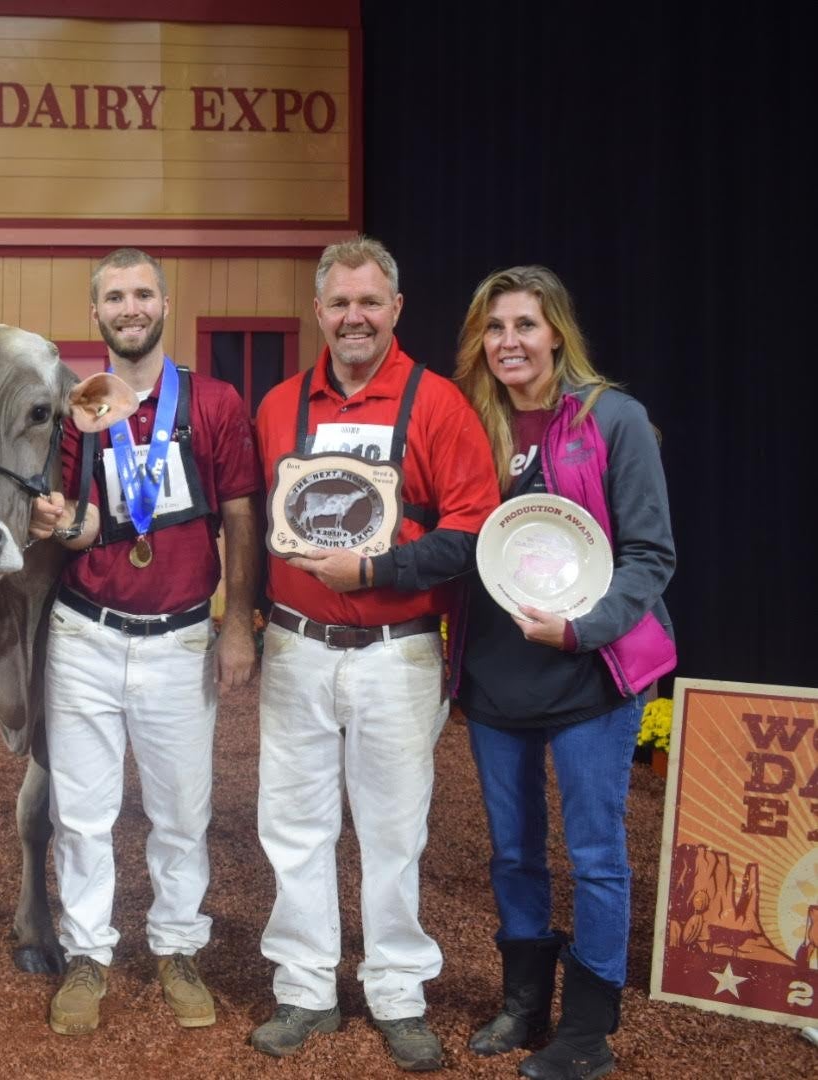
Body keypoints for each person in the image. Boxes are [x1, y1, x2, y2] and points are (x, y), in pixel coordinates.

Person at [250, 235, 499, 1071]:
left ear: (396, 309)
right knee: (293, 825)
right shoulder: (279, 404)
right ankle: (305, 989)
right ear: (318, 312)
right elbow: (255, 526)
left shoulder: (437, 406)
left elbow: (472, 535)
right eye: (339, 303)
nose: (354, 316)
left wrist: (380, 567)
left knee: (394, 830)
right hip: (296, 645)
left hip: (396, 651)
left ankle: (396, 990)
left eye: (370, 302)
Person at [28, 247, 262, 1036]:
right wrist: (60, 522)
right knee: (83, 813)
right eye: (114, 297)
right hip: (86, 635)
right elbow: (82, 521)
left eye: (142, 294)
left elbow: (238, 516)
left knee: (181, 812)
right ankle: (88, 951)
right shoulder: (79, 408)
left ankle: (176, 947)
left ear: (164, 304)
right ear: (95, 314)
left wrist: (237, 625)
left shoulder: (215, 402)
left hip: (180, 638)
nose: (130, 308)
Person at [451, 266, 675, 1080]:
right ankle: (522, 1003)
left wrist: (583, 628)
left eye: (525, 325)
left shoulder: (614, 418)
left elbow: (652, 555)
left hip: (593, 672)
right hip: (498, 672)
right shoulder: (469, 422)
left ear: (556, 335)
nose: (509, 341)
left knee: (596, 853)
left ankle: (587, 1029)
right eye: (494, 327)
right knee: (512, 851)